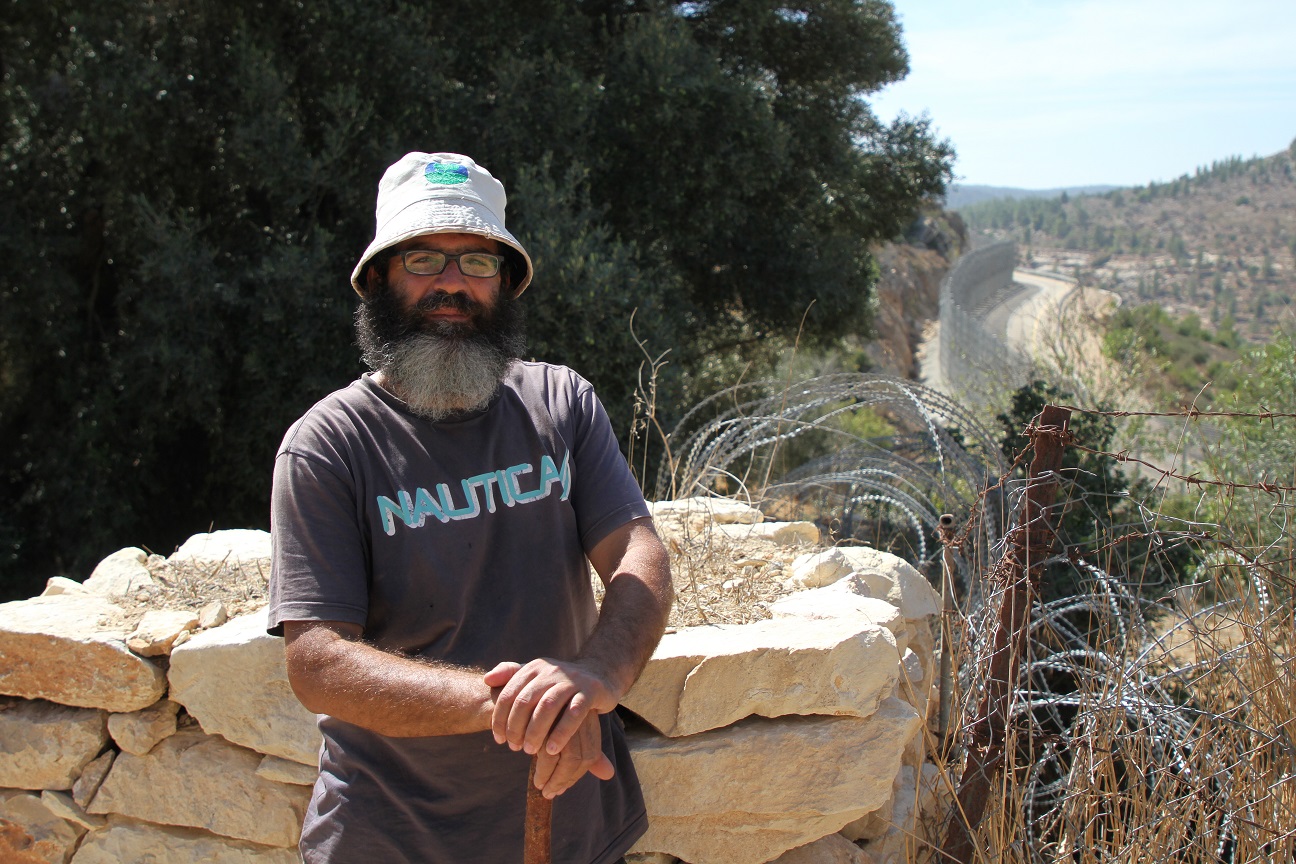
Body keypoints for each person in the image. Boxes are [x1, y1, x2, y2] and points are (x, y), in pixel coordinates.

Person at [267, 151, 673, 864]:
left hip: (572, 826)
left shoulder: (562, 404)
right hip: (389, 840)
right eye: (423, 258)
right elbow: (318, 664)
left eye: (477, 262)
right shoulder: (328, 445)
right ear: (379, 280)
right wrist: (527, 708)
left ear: (506, 282)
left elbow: (637, 549)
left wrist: (600, 676)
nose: (452, 284)